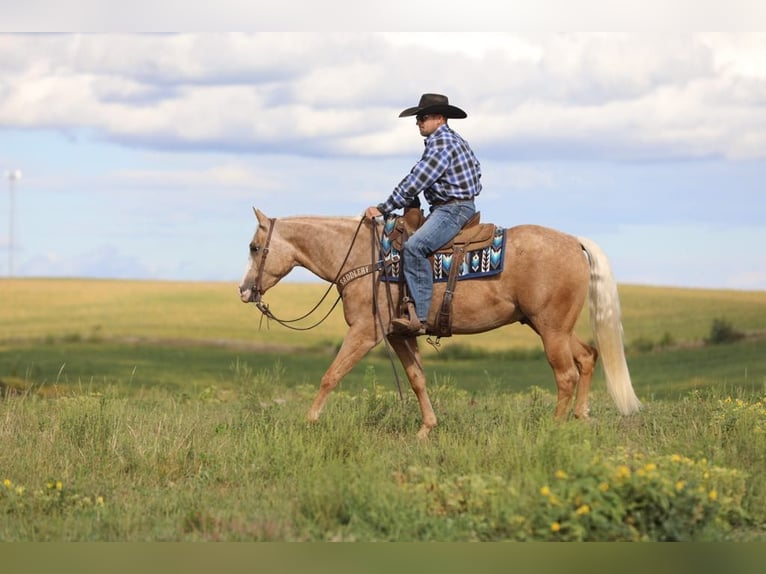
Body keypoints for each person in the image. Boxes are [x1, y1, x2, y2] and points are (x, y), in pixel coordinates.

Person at [365, 93, 482, 335]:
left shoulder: (442, 143)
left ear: (440, 118)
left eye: (423, 117)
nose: (418, 122)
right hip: (452, 205)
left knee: (415, 247)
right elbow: (475, 173)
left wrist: (385, 207)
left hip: (452, 209)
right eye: (417, 118)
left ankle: (419, 316)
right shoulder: (452, 140)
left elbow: (418, 178)